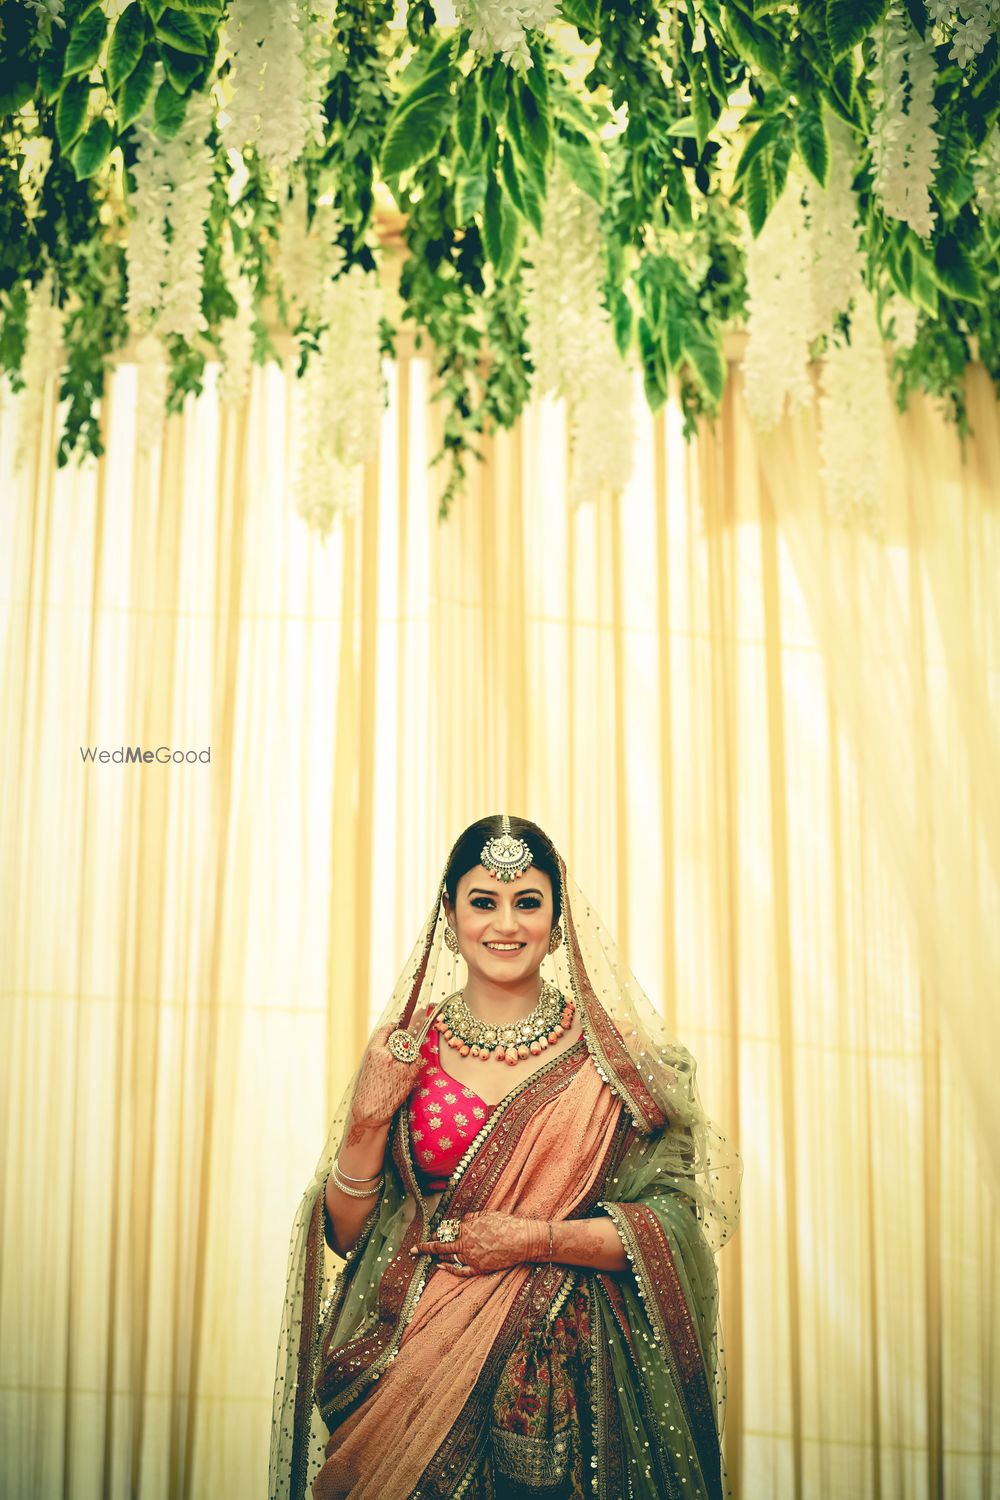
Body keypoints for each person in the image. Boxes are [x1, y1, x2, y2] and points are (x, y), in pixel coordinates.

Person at [270, 814, 741, 1500]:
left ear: (557, 920)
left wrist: (530, 1240)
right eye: (483, 901)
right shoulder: (406, 1048)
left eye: (527, 902)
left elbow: (673, 1230)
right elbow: (345, 1235)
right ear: (450, 913)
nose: (506, 924)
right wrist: (368, 1123)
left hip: (556, 1378)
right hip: (403, 1362)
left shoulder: (618, 1063)